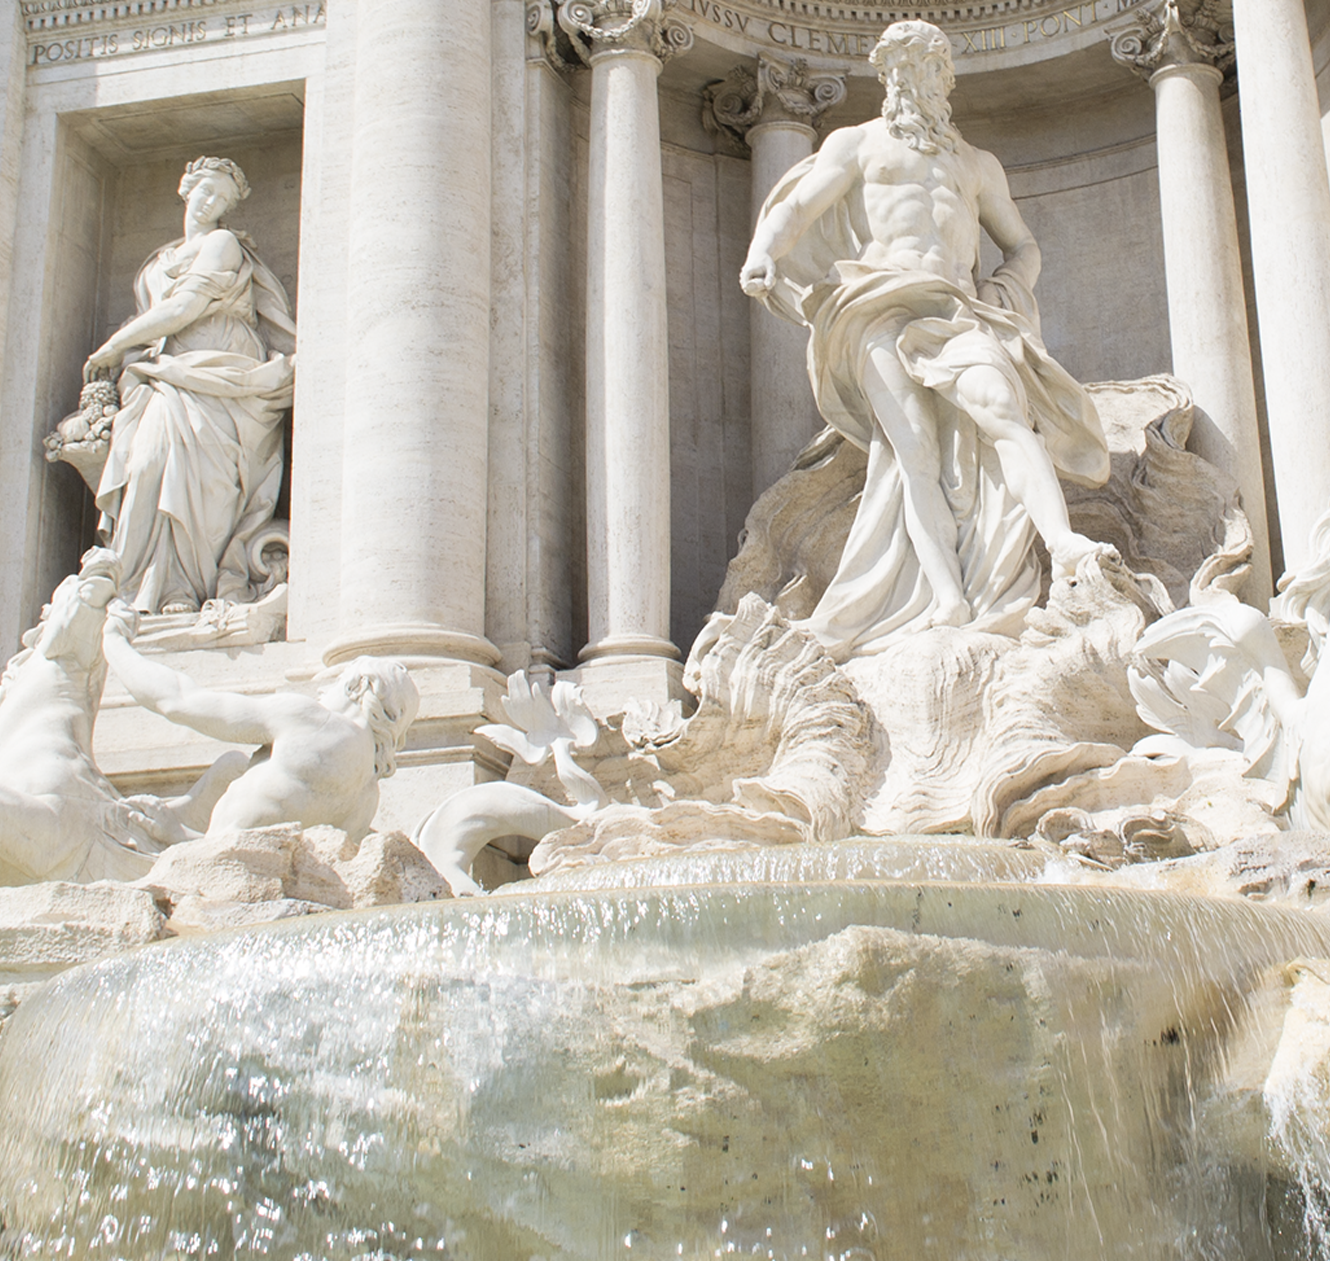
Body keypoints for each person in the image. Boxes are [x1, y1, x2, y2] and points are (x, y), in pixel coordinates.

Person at [740, 20, 1112, 660]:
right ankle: (947, 597)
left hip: (959, 310)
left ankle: (1062, 543)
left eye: (929, 68)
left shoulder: (975, 163)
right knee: (914, 456)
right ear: (887, 80)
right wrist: (763, 252)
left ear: (947, 80)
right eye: (903, 69)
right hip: (877, 306)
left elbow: (1022, 244)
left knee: (1003, 410)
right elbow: (796, 209)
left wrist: (1005, 286)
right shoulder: (857, 144)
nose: (917, 80)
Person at [84, 156, 296, 615]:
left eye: (222, 199)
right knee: (145, 465)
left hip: (223, 378)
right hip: (167, 376)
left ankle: (187, 589)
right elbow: (159, 322)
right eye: (206, 191)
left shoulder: (222, 244)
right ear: (186, 187)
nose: (210, 203)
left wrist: (113, 346)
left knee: (209, 486)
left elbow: (183, 309)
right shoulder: (158, 260)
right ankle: (141, 588)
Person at [101, 602, 420, 843]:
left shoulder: (310, 721)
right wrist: (178, 835)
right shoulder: (367, 798)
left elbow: (178, 700)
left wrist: (114, 644)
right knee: (232, 765)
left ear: (359, 687)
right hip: (235, 873)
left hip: (209, 870)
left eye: (337, 680)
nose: (325, 688)